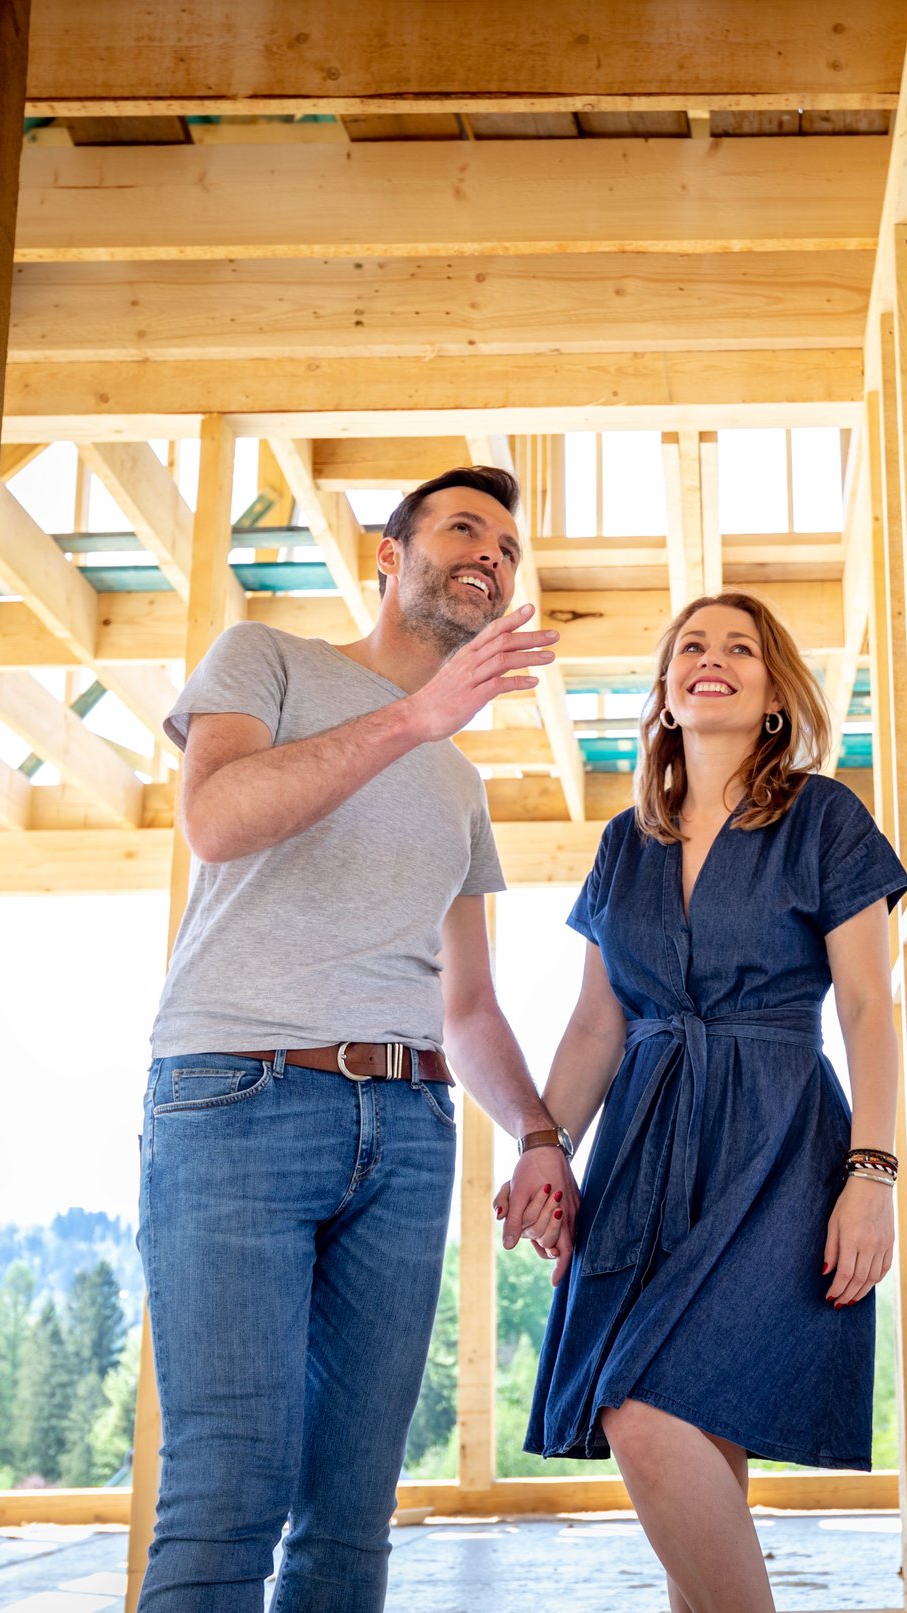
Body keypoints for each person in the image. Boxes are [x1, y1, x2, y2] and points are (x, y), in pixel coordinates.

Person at [138, 464, 580, 1611]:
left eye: (509, 548)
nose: (492, 552)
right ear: (391, 555)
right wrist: (414, 717)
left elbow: (469, 1003)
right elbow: (215, 819)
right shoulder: (266, 660)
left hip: (409, 1126)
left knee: (350, 1512)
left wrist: (538, 1132)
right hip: (238, 1096)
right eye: (464, 528)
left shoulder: (458, 782)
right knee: (225, 1486)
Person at [511, 592, 907, 1613]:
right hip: (642, 1149)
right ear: (663, 688)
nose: (712, 658)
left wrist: (873, 1173)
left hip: (778, 1143)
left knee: (641, 1409)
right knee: (691, 1427)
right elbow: (597, 1022)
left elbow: (867, 1004)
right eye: (691, 645)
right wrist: (545, 1146)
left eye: (741, 647)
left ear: (775, 694)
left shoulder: (823, 816)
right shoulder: (622, 841)